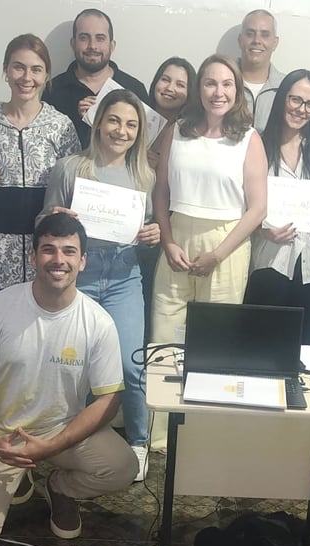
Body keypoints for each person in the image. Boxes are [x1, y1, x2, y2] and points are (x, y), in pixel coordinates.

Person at [0, 213, 138, 546]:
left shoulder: (99, 323)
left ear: (82, 261)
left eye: (69, 251)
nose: (58, 259)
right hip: (2, 433)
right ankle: (17, 475)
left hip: (62, 430)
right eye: (48, 249)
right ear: (33, 257)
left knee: (123, 467)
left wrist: (53, 446)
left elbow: (109, 400)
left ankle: (61, 489)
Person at [39, 89, 158, 481]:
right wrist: (54, 217)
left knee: (130, 364)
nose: (121, 131)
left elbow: (148, 227)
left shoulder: (145, 176)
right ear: (99, 122)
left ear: (139, 132)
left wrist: (153, 234)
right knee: (74, 364)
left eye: (131, 125)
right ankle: (75, 439)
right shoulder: (70, 168)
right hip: (81, 278)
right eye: (114, 120)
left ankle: (138, 442)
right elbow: (43, 223)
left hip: (124, 275)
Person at [151, 54, 267, 342]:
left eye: (227, 84)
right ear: (199, 88)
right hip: (176, 243)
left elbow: (258, 209)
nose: (218, 92)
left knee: (213, 342)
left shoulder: (249, 139)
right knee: (164, 338)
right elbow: (161, 192)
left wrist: (217, 255)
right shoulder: (176, 131)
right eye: (210, 83)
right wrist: (168, 242)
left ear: (237, 90)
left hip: (226, 247)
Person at [245, 69, 310, 346]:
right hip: (268, 264)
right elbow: (242, 202)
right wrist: (262, 230)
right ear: (282, 98)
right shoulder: (257, 144)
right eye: (295, 100)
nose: (301, 109)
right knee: (262, 349)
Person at [0, 34, 80, 306]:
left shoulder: (61, 125)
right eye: (18, 67)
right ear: (6, 70)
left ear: (47, 74)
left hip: (46, 254)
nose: (26, 77)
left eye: (36, 69)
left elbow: (74, 187)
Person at [43, 8, 149, 149]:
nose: (92, 46)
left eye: (100, 38)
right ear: (73, 43)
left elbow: (145, 143)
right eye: (84, 37)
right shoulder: (53, 90)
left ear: (112, 45)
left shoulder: (134, 89)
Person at [144, 57, 196, 340]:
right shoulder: (134, 117)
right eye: (165, 79)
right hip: (130, 225)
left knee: (161, 308)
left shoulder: (190, 132)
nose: (170, 88)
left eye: (180, 84)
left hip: (168, 229)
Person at [237, 9, 283, 131]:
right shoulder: (222, 84)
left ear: (275, 43)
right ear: (240, 40)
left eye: (265, 35)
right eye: (250, 34)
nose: (256, 40)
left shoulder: (286, 87)